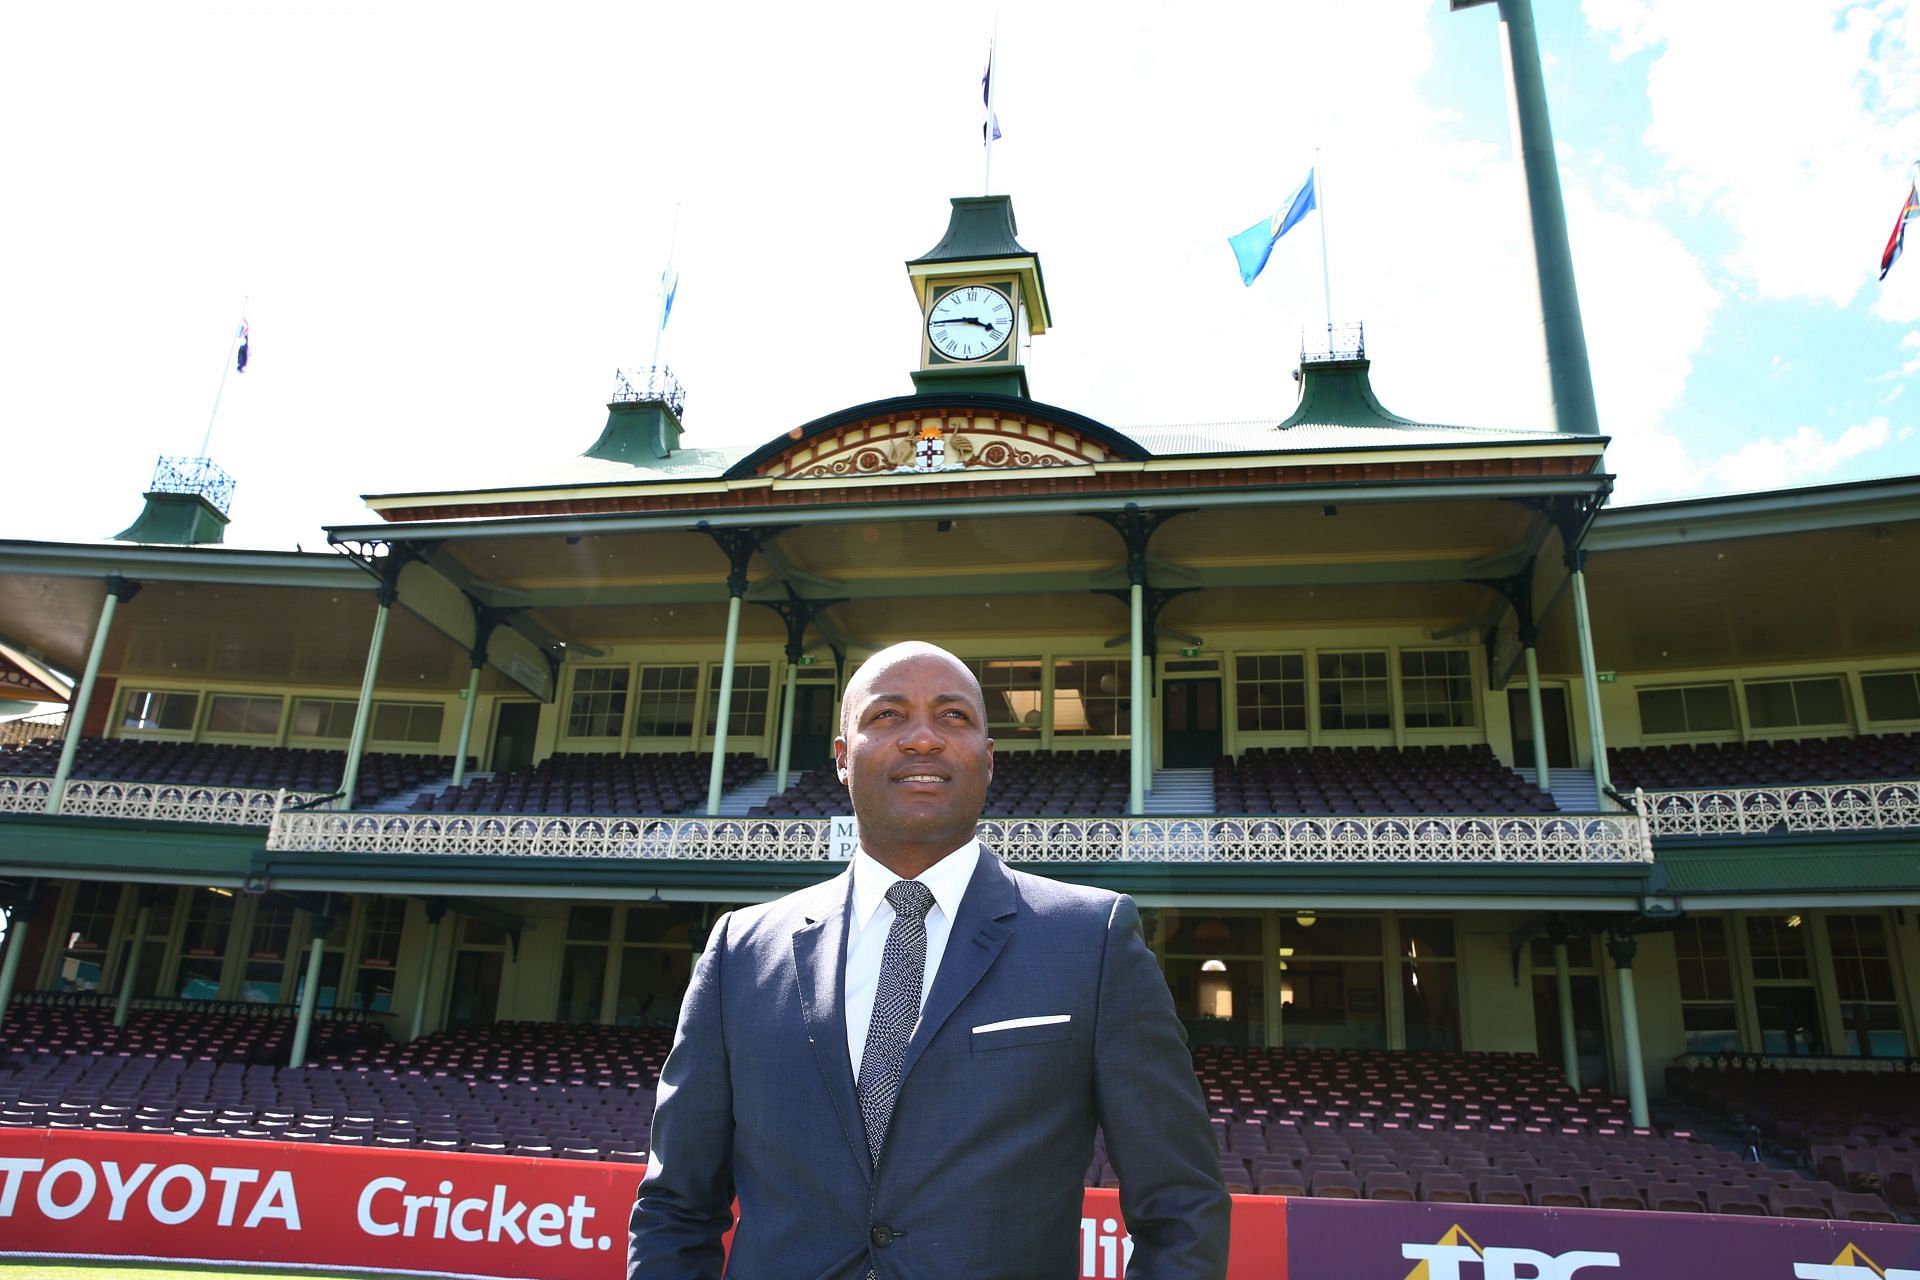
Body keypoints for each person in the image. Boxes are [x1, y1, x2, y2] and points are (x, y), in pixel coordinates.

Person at [629, 641, 1230, 1279]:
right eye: (888, 716)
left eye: (953, 716)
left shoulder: (1092, 941)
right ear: (841, 758)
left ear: (989, 760)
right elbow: (676, 1207)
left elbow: (1180, 1207)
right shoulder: (740, 950)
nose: (923, 739)